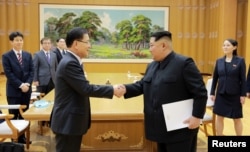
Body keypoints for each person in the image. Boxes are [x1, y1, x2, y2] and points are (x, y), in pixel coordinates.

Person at [120, 31, 207, 152]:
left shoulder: (184, 64)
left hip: (180, 129)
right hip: (159, 127)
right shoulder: (152, 66)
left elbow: (200, 92)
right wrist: (124, 89)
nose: (149, 49)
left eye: (151, 45)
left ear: (163, 45)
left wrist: (197, 116)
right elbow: (142, 85)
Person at [50, 27, 125, 152]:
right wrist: (112, 89)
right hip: (68, 122)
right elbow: (85, 88)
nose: (90, 46)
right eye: (87, 42)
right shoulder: (70, 63)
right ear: (76, 44)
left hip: (70, 121)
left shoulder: (74, 60)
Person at [2, 31, 34, 144]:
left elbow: (32, 71)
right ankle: (14, 141)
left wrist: (28, 84)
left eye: (21, 40)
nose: (19, 42)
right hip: (14, 90)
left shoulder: (27, 55)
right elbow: (9, 73)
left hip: (27, 90)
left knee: (24, 114)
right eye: (16, 40)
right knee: (14, 114)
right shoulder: (6, 56)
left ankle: (22, 137)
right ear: (11, 42)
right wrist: (21, 85)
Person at [210, 38, 246, 136]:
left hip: (235, 94)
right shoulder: (219, 61)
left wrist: (243, 95)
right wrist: (212, 92)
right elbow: (215, 78)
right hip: (221, 94)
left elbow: (243, 79)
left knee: (237, 118)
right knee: (219, 117)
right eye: (224, 45)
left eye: (228, 45)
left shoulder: (240, 61)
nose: (225, 47)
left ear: (234, 47)